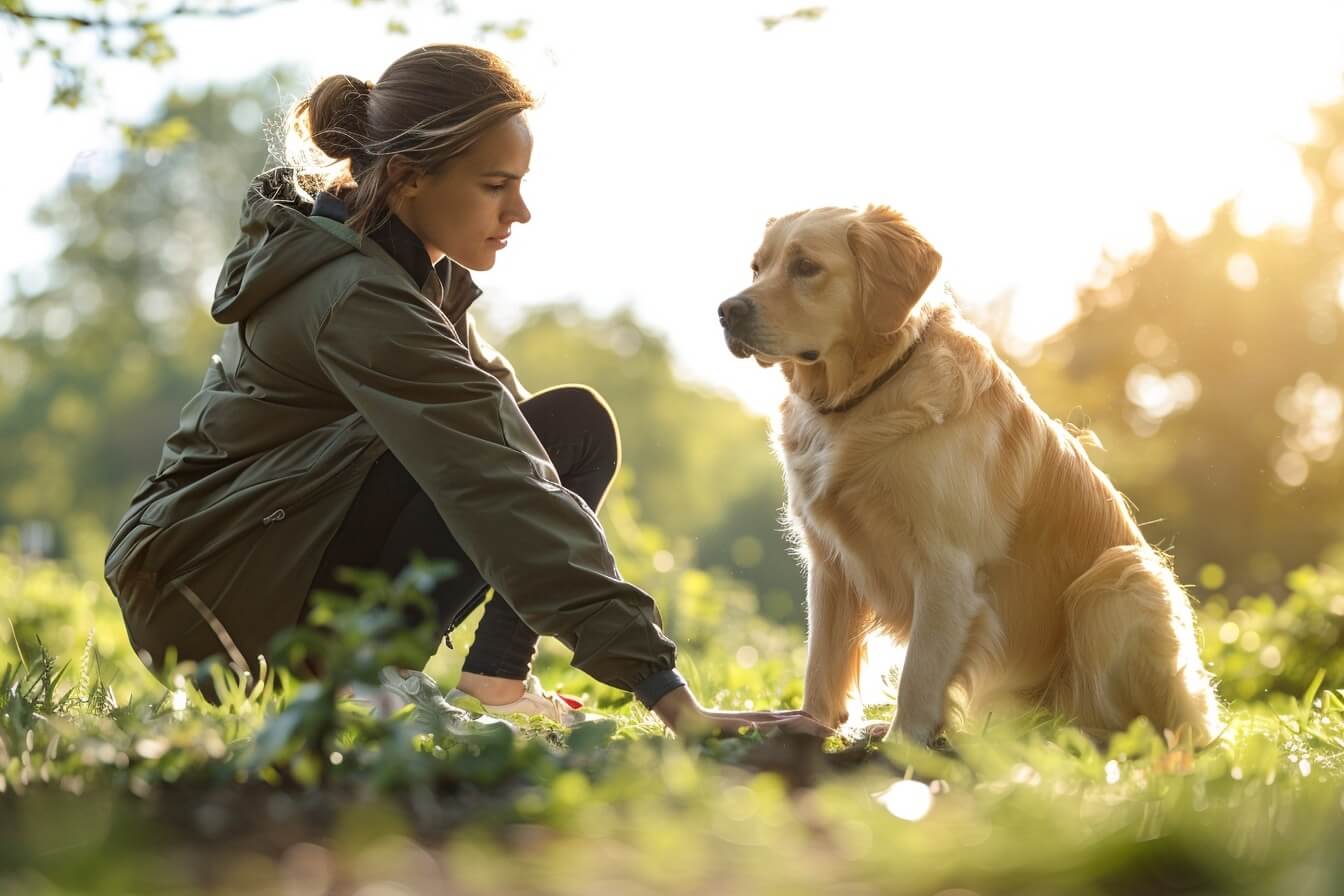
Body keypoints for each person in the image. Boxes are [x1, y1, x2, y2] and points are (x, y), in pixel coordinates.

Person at [103, 43, 827, 739]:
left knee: (569, 427)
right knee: (499, 453)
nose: (520, 212)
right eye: (495, 185)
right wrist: (668, 696)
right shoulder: (358, 295)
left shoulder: (403, 274)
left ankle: (493, 684)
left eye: (521, 184)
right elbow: (497, 474)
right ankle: (357, 677)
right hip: (214, 597)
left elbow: (519, 437)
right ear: (411, 177)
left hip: (247, 565)